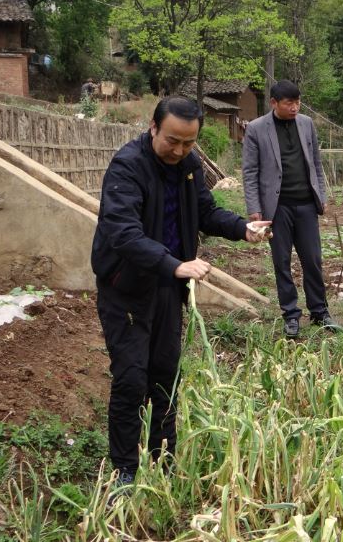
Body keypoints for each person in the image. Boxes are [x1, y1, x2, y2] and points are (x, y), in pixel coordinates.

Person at [91, 95, 269, 489]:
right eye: (172, 140)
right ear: (153, 127)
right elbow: (123, 232)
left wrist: (242, 228)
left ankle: (162, 458)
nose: (179, 150)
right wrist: (174, 263)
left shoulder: (188, 166)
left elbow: (205, 211)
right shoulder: (128, 166)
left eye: (189, 143)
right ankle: (125, 470)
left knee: (165, 375)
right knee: (131, 379)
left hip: (167, 288)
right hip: (127, 288)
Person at [242, 79, 341, 339]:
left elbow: (315, 162)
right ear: (274, 103)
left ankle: (319, 312)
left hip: (306, 204)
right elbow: (250, 171)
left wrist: (321, 194)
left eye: (297, 102)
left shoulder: (306, 124)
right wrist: (254, 207)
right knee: (282, 262)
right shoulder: (256, 129)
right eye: (289, 103)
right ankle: (291, 315)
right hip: (276, 208)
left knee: (313, 260)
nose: (295, 107)